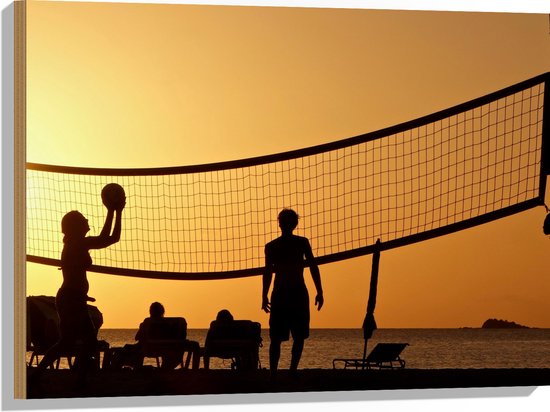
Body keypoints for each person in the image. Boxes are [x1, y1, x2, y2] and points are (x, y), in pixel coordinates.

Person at [32, 201, 124, 386]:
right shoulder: (77, 243)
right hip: (70, 299)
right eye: (83, 219)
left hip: (74, 299)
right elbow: (107, 237)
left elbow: (113, 238)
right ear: (76, 226)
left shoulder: (77, 243)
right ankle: (38, 375)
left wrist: (118, 211)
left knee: (85, 342)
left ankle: (78, 379)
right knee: (68, 342)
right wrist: (113, 210)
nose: (87, 219)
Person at [262, 208, 323, 380]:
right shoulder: (294, 244)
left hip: (286, 293)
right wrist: (319, 291)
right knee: (290, 337)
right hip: (291, 293)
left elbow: (312, 266)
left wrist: (264, 295)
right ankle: (287, 372)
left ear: (281, 223)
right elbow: (268, 272)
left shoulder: (279, 245)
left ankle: (279, 373)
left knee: (286, 337)